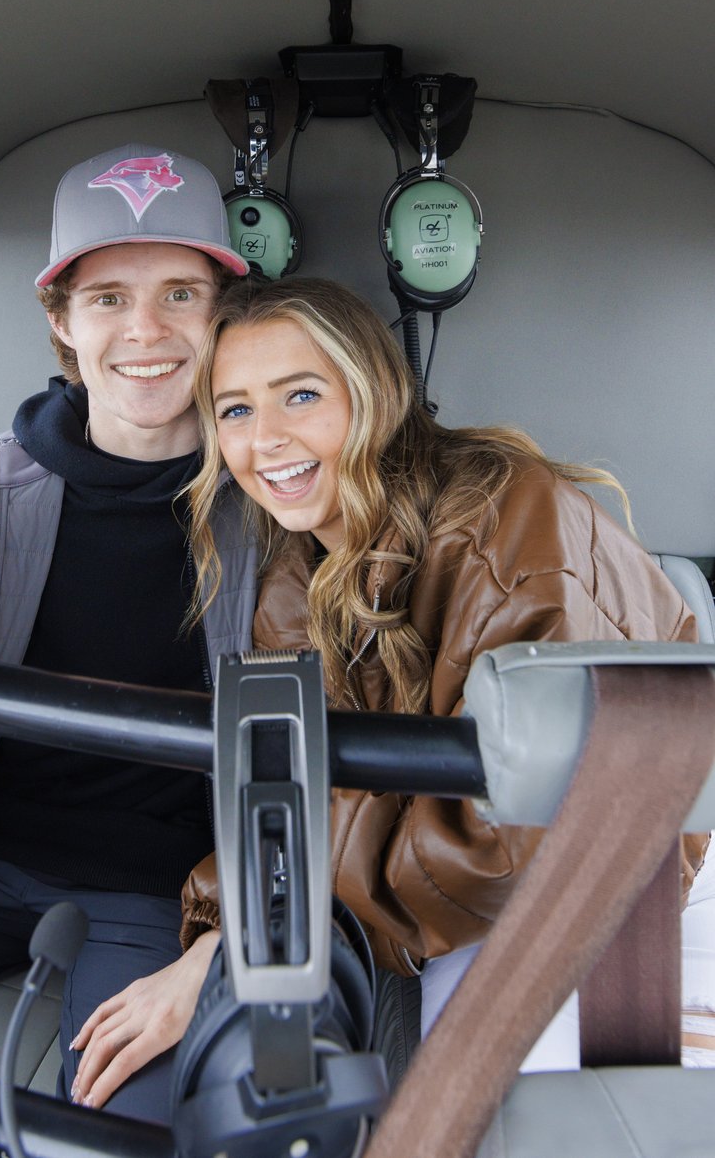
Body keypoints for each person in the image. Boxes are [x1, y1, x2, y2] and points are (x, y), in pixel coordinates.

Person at [180, 274, 709, 1061]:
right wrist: (220, 938)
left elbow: (516, 838)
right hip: (472, 898)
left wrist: (266, 920)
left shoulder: (507, 519)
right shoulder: (295, 571)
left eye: (299, 396)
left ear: (375, 394)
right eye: (236, 410)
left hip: (650, 876)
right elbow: (287, 786)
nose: (265, 440)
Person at [0, 146, 255, 1121]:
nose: (147, 331)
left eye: (180, 294)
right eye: (109, 298)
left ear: (221, 318)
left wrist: (229, 934)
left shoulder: (276, 496)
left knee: (125, 1120)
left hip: (164, 885)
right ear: (62, 324)